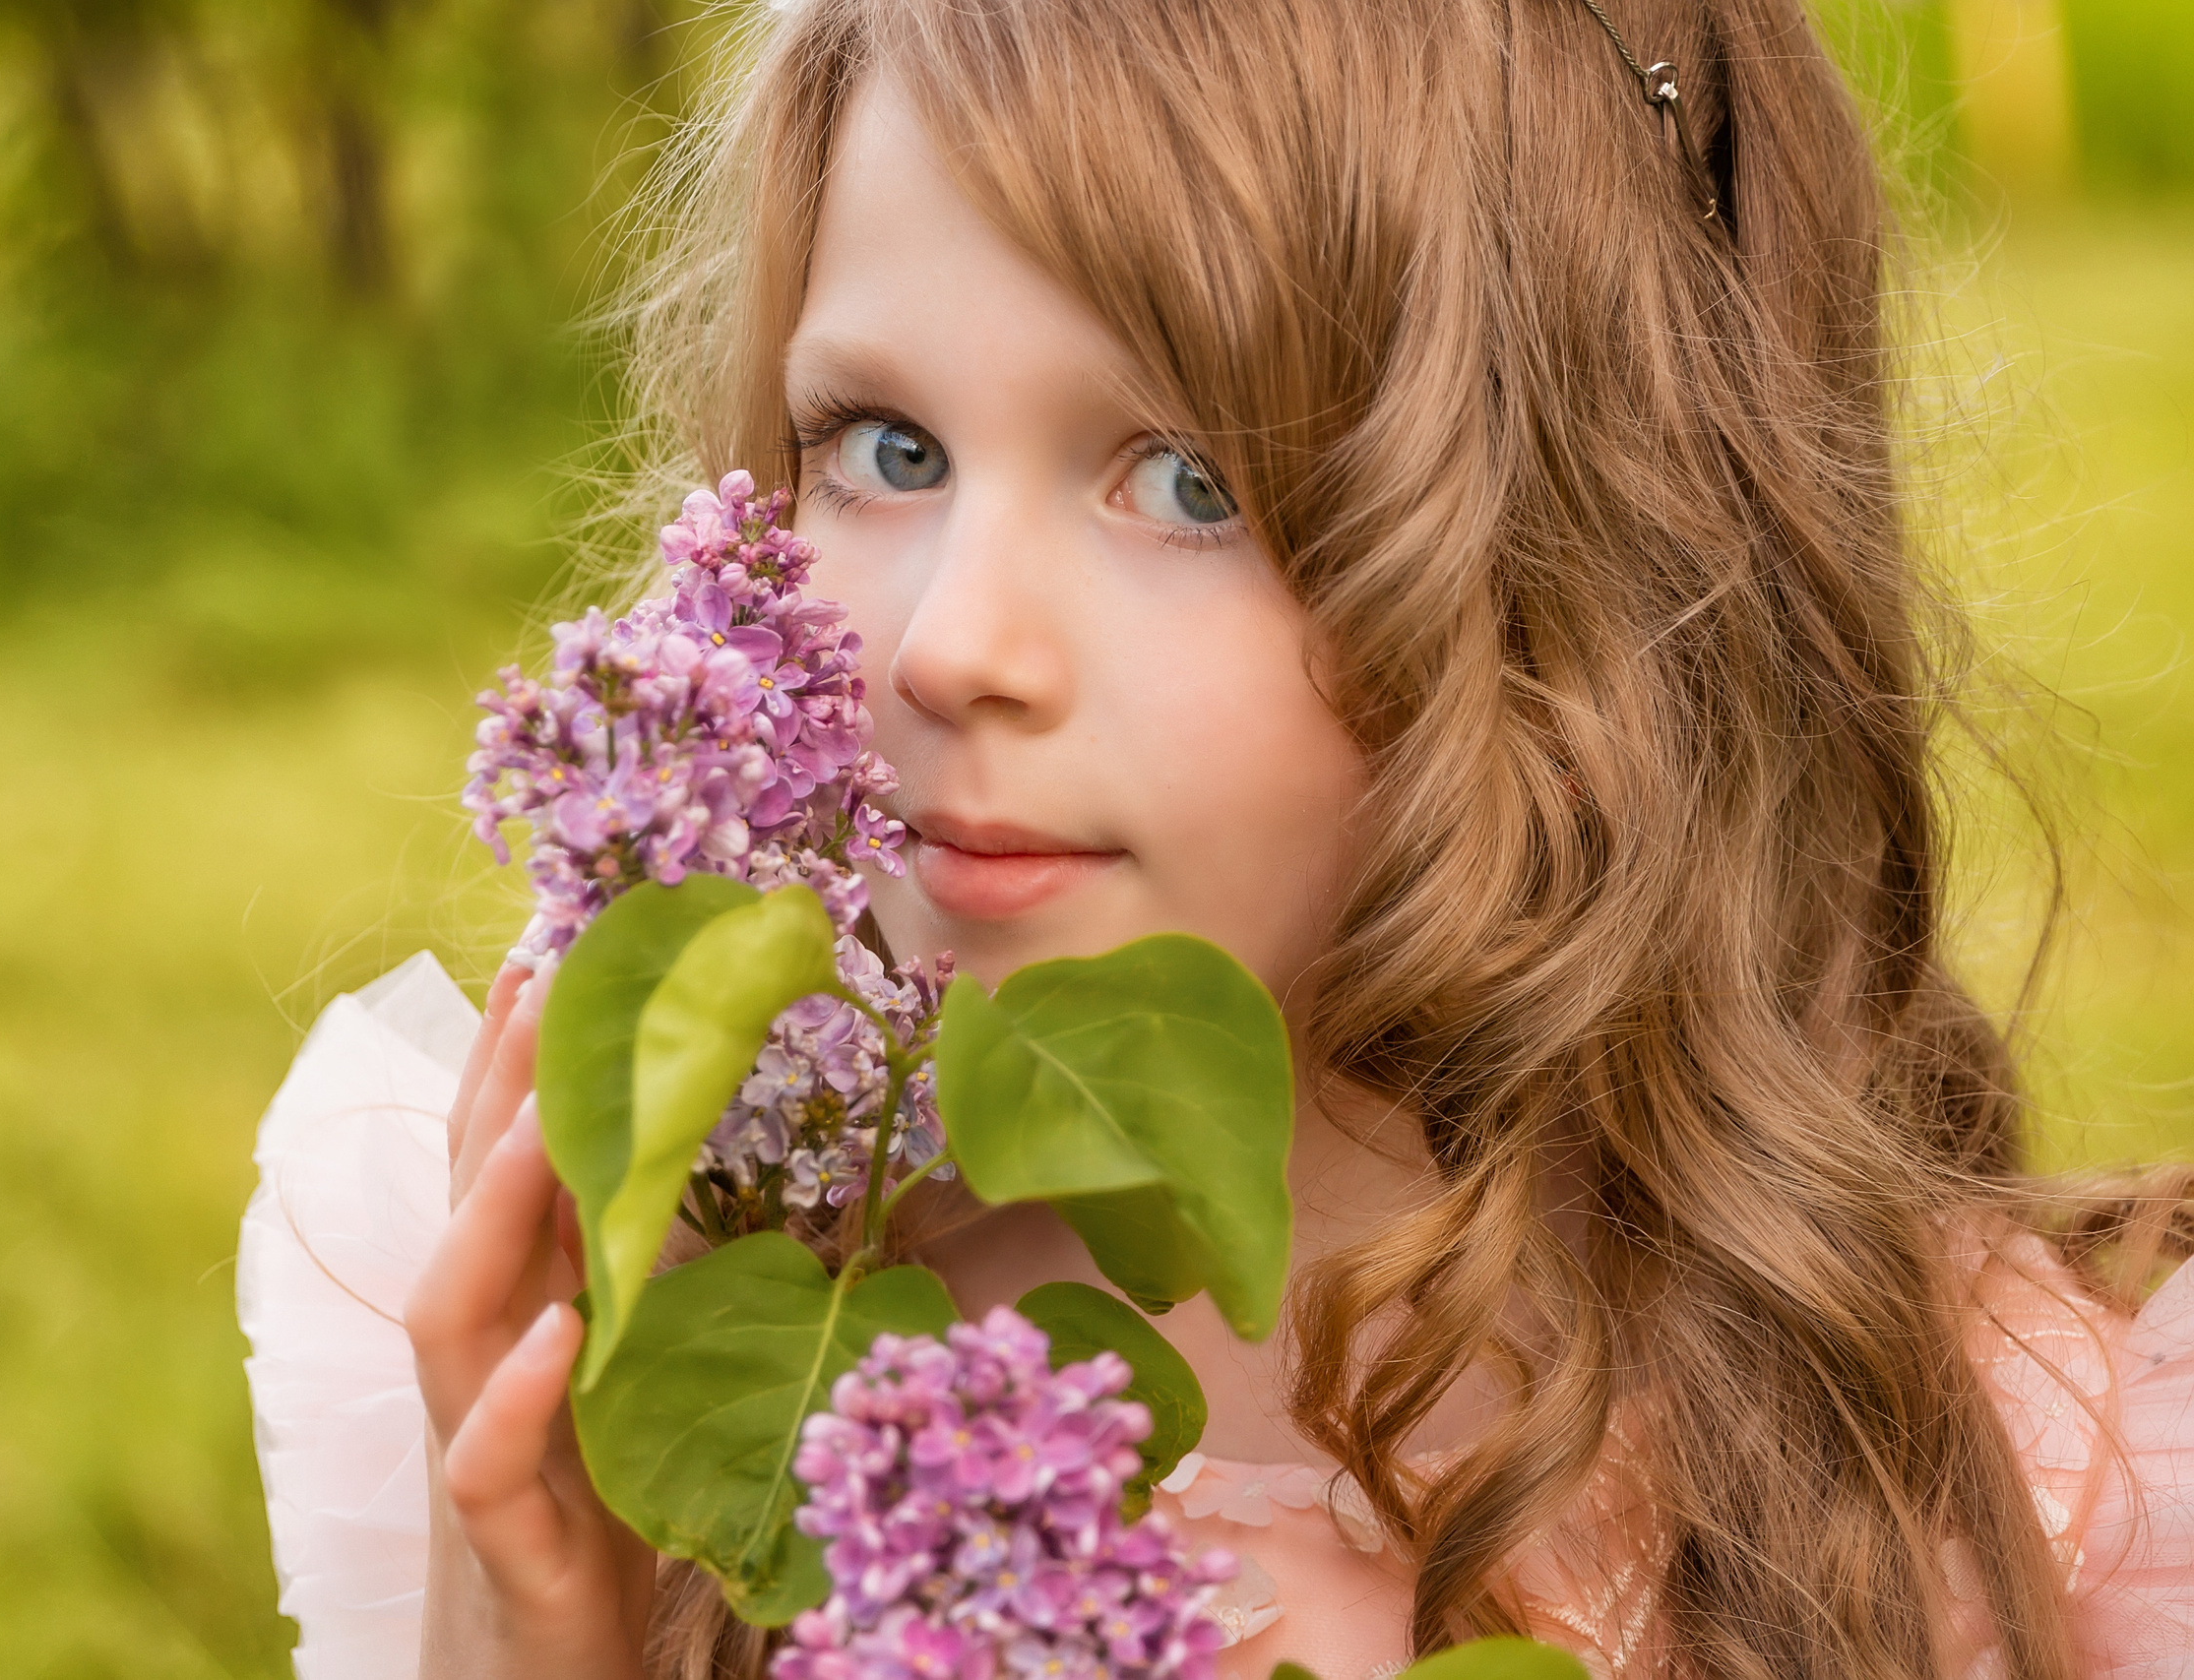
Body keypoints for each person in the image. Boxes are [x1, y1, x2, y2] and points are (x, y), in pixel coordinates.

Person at [234, 0, 2194, 1674]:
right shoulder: (627, 1352)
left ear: (1587, 579)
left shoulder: (1991, 1471)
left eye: (1185, 481)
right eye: (883, 448)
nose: (954, 645)